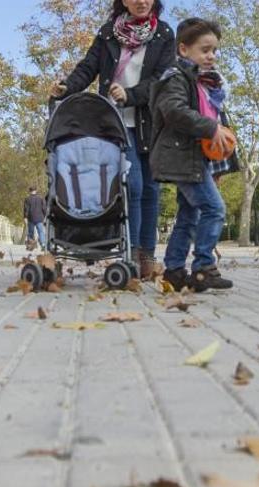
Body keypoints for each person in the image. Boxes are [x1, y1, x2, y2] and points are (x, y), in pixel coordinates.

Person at [51, 0, 175, 277]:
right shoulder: (108, 33)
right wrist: (66, 87)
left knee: (151, 190)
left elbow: (163, 79)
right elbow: (87, 67)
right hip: (114, 124)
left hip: (150, 123)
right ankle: (130, 252)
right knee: (132, 186)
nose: (142, 1)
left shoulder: (164, 34)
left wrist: (131, 95)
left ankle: (147, 255)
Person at [150, 17, 239, 292]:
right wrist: (211, 127)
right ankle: (203, 267)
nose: (211, 56)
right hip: (180, 156)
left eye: (214, 50)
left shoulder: (206, 85)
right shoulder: (175, 78)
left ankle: (174, 270)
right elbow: (174, 112)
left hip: (196, 159)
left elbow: (216, 125)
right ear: (184, 50)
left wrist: (218, 167)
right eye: (205, 49)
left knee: (190, 215)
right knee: (214, 209)